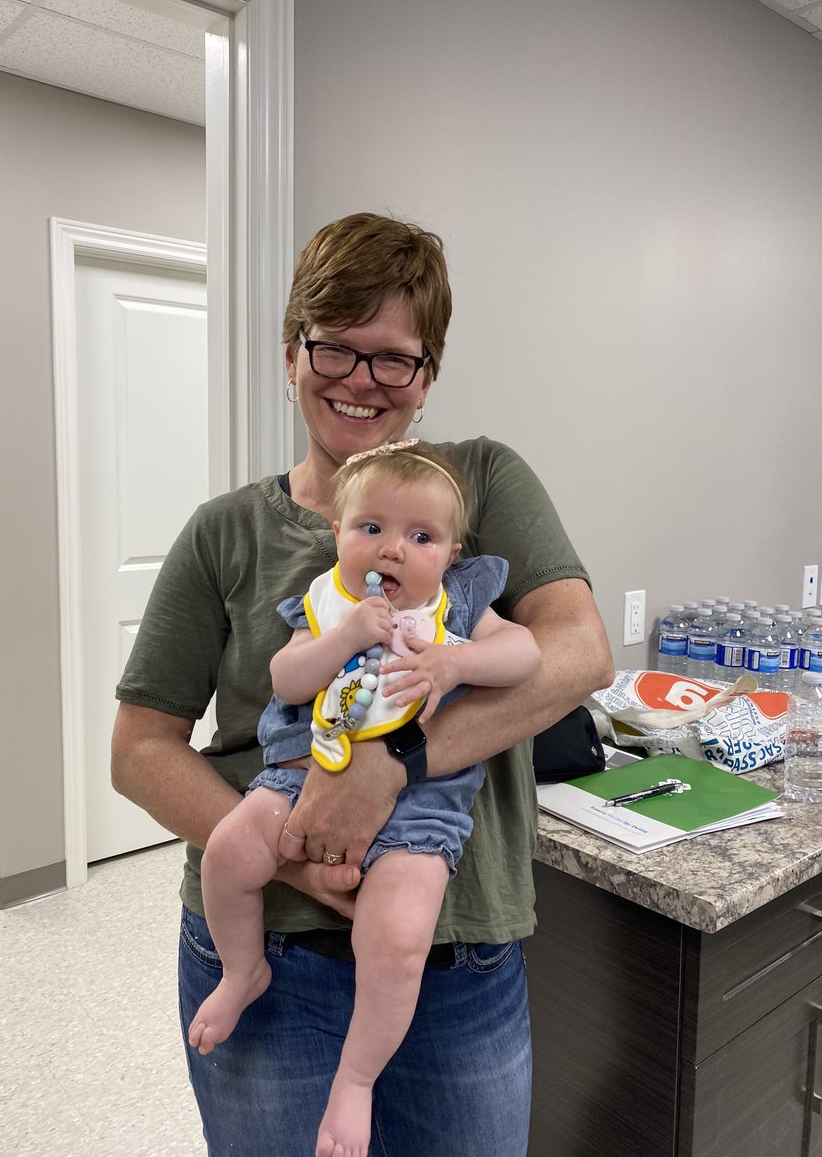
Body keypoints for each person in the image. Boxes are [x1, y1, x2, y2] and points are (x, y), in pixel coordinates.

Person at [111, 211, 614, 1157]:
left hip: (458, 954)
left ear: (427, 377)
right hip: (273, 954)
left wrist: (394, 764)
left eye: (395, 359)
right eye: (335, 348)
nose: (362, 382)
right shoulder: (225, 533)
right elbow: (139, 750)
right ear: (291, 353)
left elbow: (579, 652)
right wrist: (297, 850)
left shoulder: (477, 489)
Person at [187, 440, 541, 1157]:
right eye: (370, 528)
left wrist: (457, 659)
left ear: (451, 552)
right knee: (226, 853)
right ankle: (241, 968)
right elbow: (288, 681)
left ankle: (355, 1080)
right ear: (338, 534)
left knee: (397, 936)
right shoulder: (325, 602)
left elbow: (529, 656)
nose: (393, 550)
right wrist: (345, 634)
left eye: (421, 537)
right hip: (300, 772)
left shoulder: (462, 604)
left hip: (424, 804)